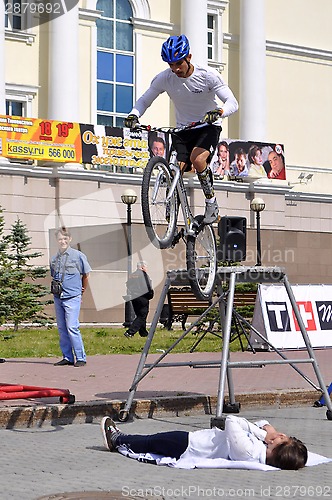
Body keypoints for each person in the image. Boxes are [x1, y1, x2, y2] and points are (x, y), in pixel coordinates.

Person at [124, 34, 238, 224]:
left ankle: (211, 203)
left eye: (178, 63)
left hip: (207, 126)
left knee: (197, 158)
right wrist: (134, 114)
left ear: (189, 58)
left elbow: (232, 102)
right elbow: (145, 99)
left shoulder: (208, 75)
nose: (175, 69)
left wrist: (219, 112)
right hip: (183, 130)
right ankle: (174, 204)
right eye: (171, 65)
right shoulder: (164, 78)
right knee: (175, 169)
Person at [101, 415, 307, 470]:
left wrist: (263, 434)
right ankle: (120, 439)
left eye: (282, 439)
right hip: (192, 442)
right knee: (153, 441)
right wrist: (267, 428)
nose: (280, 435)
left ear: (277, 449)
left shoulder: (249, 451)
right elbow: (256, 424)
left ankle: (117, 439)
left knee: (149, 442)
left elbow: (233, 421)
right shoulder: (261, 452)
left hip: (188, 444)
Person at [50, 227, 91, 367]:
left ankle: (80, 357)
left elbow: (86, 274)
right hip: (58, 297)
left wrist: (82, 289)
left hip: (72, 296)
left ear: (70, 239)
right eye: (60, 239)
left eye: (65, 238)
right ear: (57, 240)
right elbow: (53, 275)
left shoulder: (78, 256)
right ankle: (67, 357)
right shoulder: (54, 258)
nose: (63, 241)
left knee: (72, 327)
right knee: (62, 328)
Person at [124, 261, 154, 339]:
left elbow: (128, 284)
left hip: (134, 297)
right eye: (146, 267)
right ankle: (130, 332)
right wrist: (150, 295)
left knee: (140, 315)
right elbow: (147, 286)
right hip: (142, 297)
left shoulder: (132, 275)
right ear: (142, 267)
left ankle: (143, 333)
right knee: (142, 315)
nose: (146, 269)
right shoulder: (143, 275)